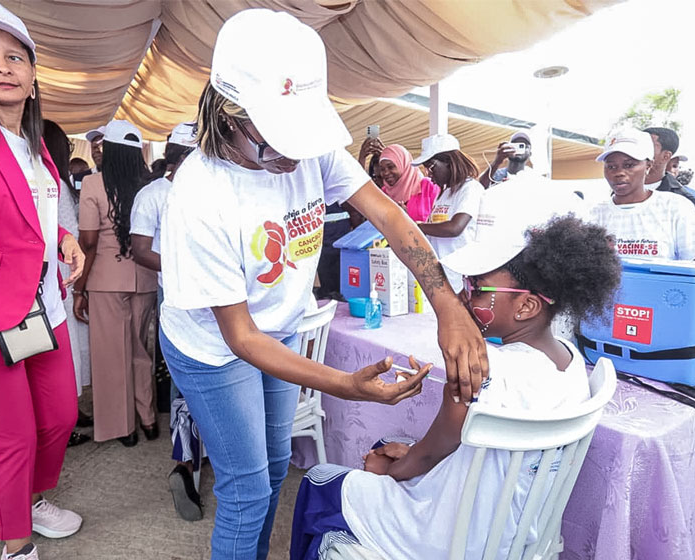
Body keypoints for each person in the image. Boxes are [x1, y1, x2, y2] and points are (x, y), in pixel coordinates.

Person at [158, 10, 486, 558]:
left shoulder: (309, 148)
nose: (291, 158)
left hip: (277, 329)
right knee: (246, 489)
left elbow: (390, 217)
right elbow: (240, 338)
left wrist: (447, 303)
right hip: (214, 349)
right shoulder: (199, 195)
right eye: (273, 144)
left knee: (278, 464)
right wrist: (345, 384)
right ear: (226, 114)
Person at [290, 213, 621, 560]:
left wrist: (387, 471)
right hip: (511, 532)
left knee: (320, 481)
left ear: (526, 306)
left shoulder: (477, 368)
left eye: (477, 289)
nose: (462, 298)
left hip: (450, 536)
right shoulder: (569, 358)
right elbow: (441, 450)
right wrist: (405, 458)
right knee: (389, 445)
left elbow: (429, 454)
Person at [0, 2, 86, 558]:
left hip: (40, 307)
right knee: (12, 439)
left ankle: (29, 500)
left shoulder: (31, 139)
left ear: (31, 75)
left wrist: (64, 239)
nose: (2, 67)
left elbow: (35, 215)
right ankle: (16, 547)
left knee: (60, 416)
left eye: (15, 57)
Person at [129, 122, 202, 520]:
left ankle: (193, 460)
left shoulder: (209, 192)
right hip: (175, 296)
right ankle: (185, 464)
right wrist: (183, 267)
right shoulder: (153, 194)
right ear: (177, 158)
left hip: (214, 296)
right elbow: (140, 249)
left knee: (206, 378)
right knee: (184, 379)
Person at [74, 120, 159, 447]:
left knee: (112, 355)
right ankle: (148, 417)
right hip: (146, 277)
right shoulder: (149, 184)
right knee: (140, 349)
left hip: (106, 278)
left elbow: (89, 242)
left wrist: (80, 288)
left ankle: (123, 427)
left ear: (107, 150)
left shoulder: (94, 184)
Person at [41, 119, 92, 447]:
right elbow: (69, 235)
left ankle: (67, 414)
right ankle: (61, 420)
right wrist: (77, 288)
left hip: (53, 280)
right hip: (58, 281)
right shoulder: (53, 182)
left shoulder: (51, 179)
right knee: (60, 356)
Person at [589, 129, 695, 260]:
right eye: (611, 167)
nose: (619, 173)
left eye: (629, 165)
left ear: (648, 165)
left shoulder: (676, 208)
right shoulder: (593, 214)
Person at [413, 134, 484, 293]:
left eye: (431, 167)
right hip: (443, 277)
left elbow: (455, 228)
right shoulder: (444, 193)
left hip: (461, 279)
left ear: (449, 162)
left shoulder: (470, 189)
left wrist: (416, 226)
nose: (429, 174)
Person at [642, 127, 695, 212]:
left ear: (666, 156)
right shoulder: (619, 188)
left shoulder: (684, 201)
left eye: (648, 148)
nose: (640, 152)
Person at [378, 144, 439, 222]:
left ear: (404, 165)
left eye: (391, 167)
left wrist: (407, 220)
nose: (386, 173)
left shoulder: (428, 187)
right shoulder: (383, 194)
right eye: (382, 169)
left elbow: (440, 222)